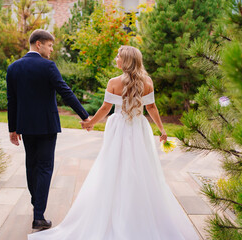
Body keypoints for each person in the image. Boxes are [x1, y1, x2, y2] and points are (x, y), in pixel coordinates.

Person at [27, 46, 199, 239]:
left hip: (119, 128)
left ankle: (118, 206)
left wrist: (90, 123)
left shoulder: (114, 82)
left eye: (118, 56)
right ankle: (137, 209)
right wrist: (162, 130)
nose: (116, 58)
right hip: (139, 128)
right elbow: (151, 108)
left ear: (126, 61)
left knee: (114, 166)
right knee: (140, 167)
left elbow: (105, 108)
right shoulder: (147, 82)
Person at [6, 29, 90, 230]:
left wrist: (12, 129)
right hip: (46, 126)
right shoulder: (48, 66)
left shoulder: (13, 68)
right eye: (50, 45)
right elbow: (66, 92)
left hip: (25, 126)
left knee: (31, 166)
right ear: (38, 44)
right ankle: (39, 216)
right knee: (44, 167)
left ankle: (37, 205)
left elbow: (12, 101)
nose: (52, 50)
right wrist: (85, 116)